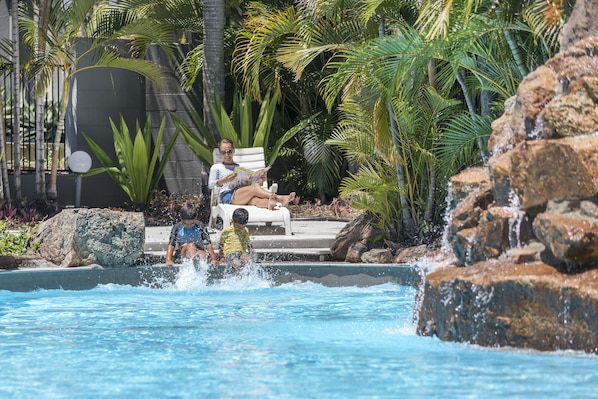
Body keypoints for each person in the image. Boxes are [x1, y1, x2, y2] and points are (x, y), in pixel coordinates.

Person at [208, 138, 299, 210]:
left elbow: (252, 183)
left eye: (229, 151)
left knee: (255, 200)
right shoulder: (216, 167)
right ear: (220, 152)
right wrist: (226, 180)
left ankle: (271, 204)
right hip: (228, 196)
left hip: (243, 194)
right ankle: (280, 198)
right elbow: (211, 185)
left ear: (233, 151)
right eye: (224, 152)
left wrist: (262, 179)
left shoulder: (241, 168)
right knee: (255, 188)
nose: (227, 155)